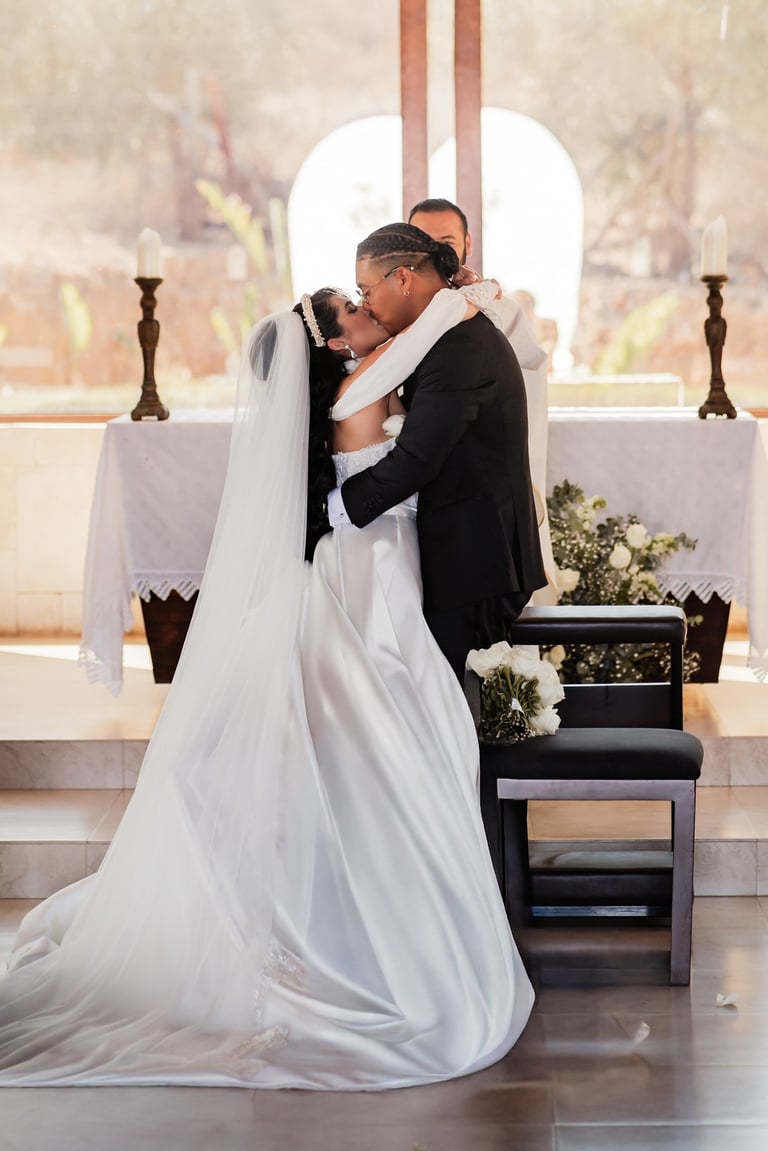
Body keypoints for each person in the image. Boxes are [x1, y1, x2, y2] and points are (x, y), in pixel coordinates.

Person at [0, 281, 534, 1088]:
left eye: (365, 302)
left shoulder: (348, 386)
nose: (368, 314)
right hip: (370, 575)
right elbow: (421, 344)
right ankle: (364, 936)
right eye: (353, 310)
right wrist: (463, 300)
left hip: (368, 563)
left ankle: (335, 909)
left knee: (373, 740)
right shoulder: (362, 384)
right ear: (332, 346)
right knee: (386, 729)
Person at [329, 222, 548, 682]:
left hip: (478, 562)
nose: (366, 305)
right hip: (465, 552)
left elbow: (418, 458)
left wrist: (332, 509)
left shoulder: (458, 346)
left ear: (403, 278)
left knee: (453, 702)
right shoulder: (441, 333)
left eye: (366, 291)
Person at [408, 198, 557, 603]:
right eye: (422, 242)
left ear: (467, 243)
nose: (435, 253)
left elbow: (528, 374)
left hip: (478, 484)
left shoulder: (501, 310)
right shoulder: (403, 307)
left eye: (446, 242)